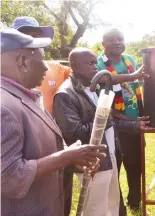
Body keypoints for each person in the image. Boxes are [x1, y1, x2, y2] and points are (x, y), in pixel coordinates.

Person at [1, 28, 106, 216]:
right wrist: (66, 157)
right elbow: (7, 177)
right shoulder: (4, 107)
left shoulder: (24, 96)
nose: (46, 68)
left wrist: (72, 158)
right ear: (23, 62)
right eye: (41, 59)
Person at [53, 47, 131, 215]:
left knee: (111, 203)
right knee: (95, 208)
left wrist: (133, 125)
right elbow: (74, 133)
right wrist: (106, 118)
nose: (95, 67)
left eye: (95, 62)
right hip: (92, 161)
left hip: (109, 156)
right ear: (73, 65)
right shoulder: (66, 95)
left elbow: (108, 124)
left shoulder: (93, 87)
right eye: (90, 63)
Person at [97, 28, 147, 213]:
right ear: (103, 43)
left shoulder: (130, 60)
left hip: (135, 122)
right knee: (115, 166)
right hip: (115, 123)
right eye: (112, 39)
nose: (118, 42)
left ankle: (135, 199)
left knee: (136, 163)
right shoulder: (98, 63)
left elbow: (137, 87)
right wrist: (134, 76)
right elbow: (105, 80)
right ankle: (117, 206)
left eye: (121, 39)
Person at [10, 16, 72, 114]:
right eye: (25, 37)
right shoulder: (5, 79)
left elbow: (81, 76)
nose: (33, 42)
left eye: (36, 37)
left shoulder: (56, 68)